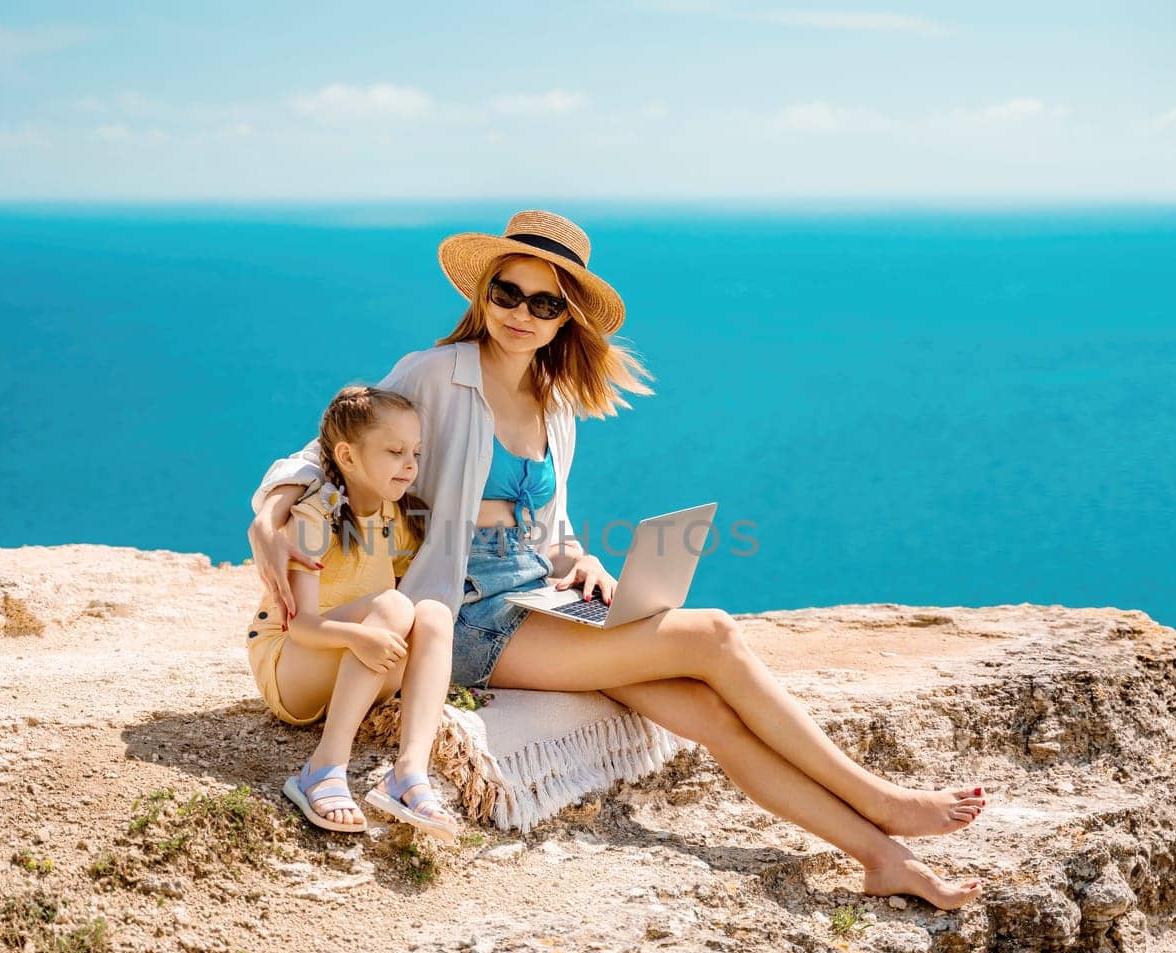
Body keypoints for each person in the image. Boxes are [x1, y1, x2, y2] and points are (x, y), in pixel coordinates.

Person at [248, 211, 987, 907]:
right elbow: (328, 447)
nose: (522, 313)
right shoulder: (437, 372)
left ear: (565, 318)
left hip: (538, 597)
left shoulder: (555, 400)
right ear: (484, 292)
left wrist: (582, 560)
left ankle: (881, 857)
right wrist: (273, 513)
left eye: (545, 304)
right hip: (469, 613)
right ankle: (883, 800)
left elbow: (550, 525)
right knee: (715, 635)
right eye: (508, 292)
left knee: (710, 713)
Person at [244, 385, 460, 843]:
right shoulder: (313, 516)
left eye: (416, 453)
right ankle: (322, 768)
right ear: (348, 455)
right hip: (295, 666)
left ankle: (408, 774)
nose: (410, 465)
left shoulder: (396, 517)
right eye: (395, 451)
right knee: (394, 604)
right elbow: (298, 626)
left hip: (359, 662)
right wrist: (358, 637)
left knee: (435, 614)